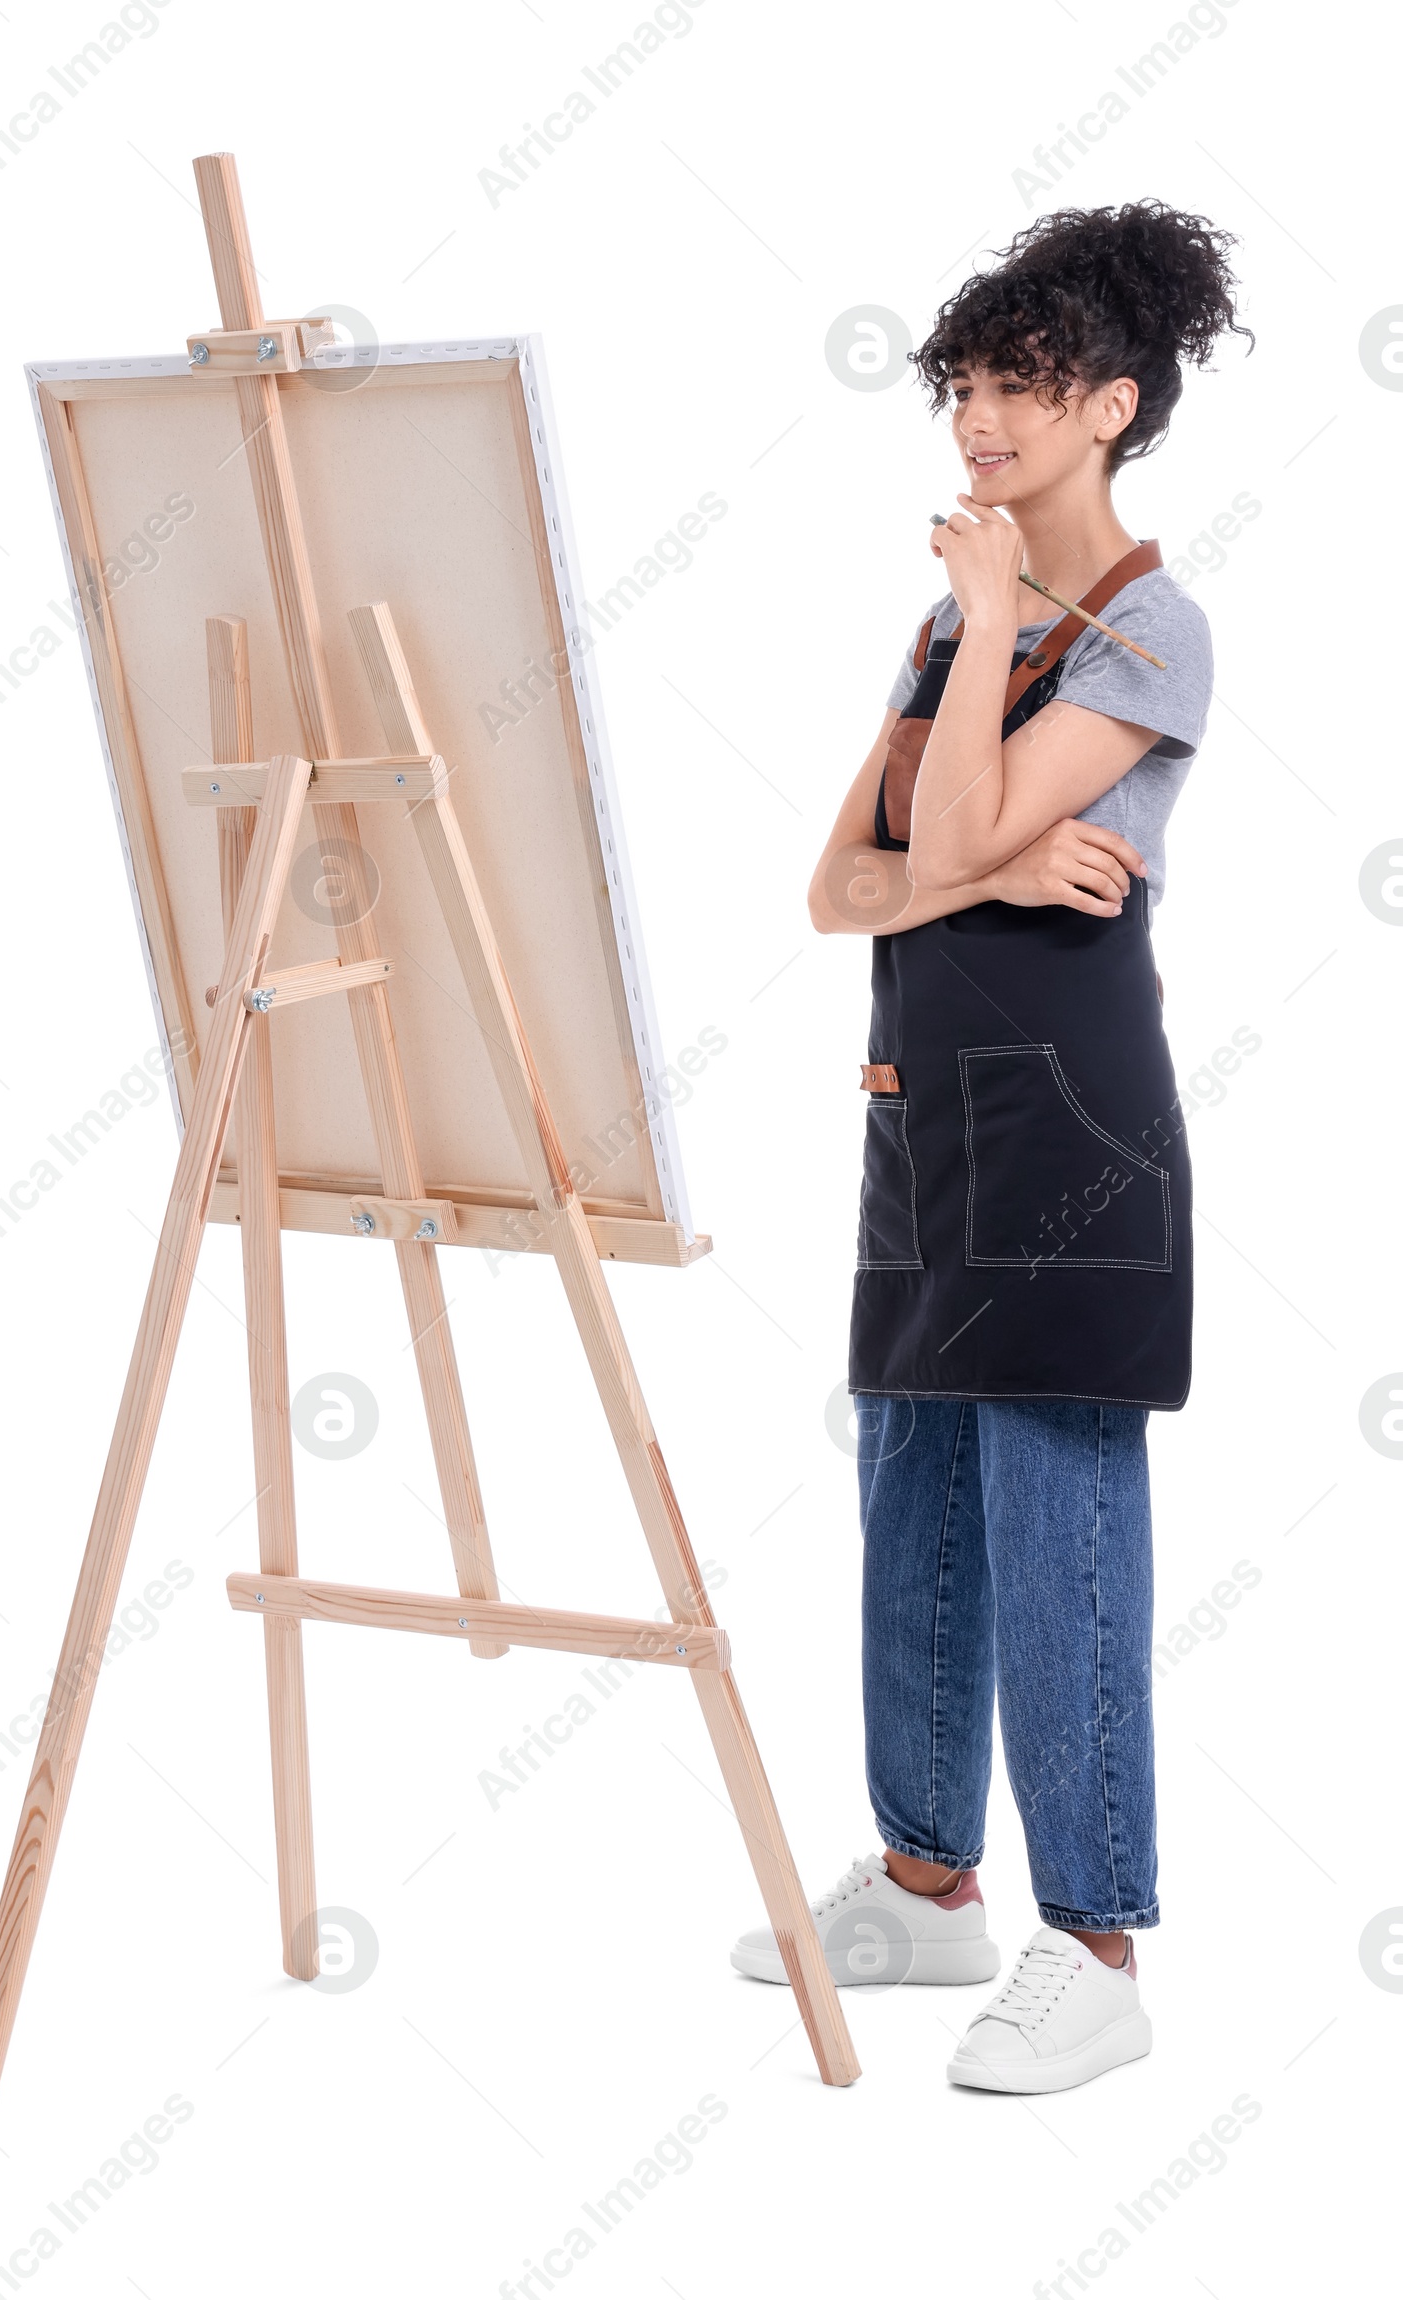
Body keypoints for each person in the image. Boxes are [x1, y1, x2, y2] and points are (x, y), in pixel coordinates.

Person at [732, 201, 1252, 2093]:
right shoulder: (956, 620)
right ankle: (928, 1887)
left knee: (1055, 1525)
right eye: (965, 380)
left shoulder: (1151, 633)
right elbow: (836, 884)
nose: (979, 417)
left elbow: (925, 850)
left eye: (1024, 385)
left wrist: (975, 808)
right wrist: (1004, 849)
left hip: (1073, 1145)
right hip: (921, 1125)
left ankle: (1095, 1943)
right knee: (912, 1507)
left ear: (1112, 407)